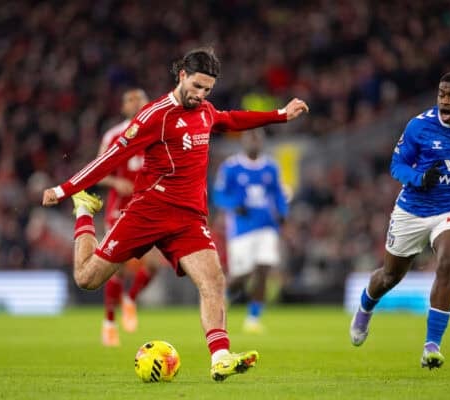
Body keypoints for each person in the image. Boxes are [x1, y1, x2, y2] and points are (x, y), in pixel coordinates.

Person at [42, 47, 309, 381]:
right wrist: (64, 190)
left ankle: (220, 357)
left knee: (213, 281)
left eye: (207, 90)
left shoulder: (206, 111)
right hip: (148, 212)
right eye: (196, 86)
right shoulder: (154, 116)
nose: (200, 95)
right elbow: (110, 158)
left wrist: (280, 114)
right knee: (87, 279)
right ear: (182, 75)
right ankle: (83, 212)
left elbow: (231, 118)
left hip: (188, 220)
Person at [350, 71, 450, 370]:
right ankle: (366, 306)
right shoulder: (420, 126)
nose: (445, 100)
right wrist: (419, 178)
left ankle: (431, 346)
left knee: (448, 262)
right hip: (414, 209)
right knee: (390, 277)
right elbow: (396, 165)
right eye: (441, 94)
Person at [96, 88, 164, 346]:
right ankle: (109, 324)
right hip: (119, 209)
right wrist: (115, 182)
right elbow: (98, 171)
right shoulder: (113, 135)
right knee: (117, 267)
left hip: (148, 207)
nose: (136, 103)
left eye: (140, 99)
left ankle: (130, 298)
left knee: (155, 264)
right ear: (123, 107)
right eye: (130, 99)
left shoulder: (158, 131)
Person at [212, 128, 289, 334]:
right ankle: (224, 296)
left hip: (267, 226)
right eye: (250, 140)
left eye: (257, 140)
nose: (254, 143)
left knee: (264, 268)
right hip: (241, 229)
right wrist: (234, 205)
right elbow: (219, 194)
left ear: (262, 143)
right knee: (242, 274)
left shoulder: (271, 167)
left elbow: (278, 194)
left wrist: (282, 212)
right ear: (243, 142)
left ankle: (253, 317)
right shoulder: (231, 167)